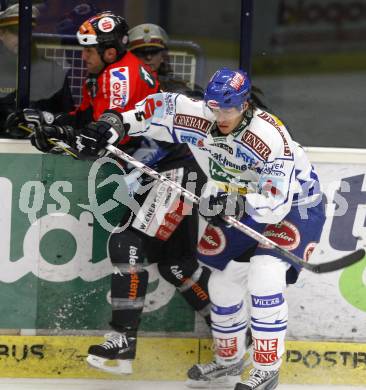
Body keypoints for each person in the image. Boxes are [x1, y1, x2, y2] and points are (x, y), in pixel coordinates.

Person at [72, 67, 326, 389]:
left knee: (265, 276)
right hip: (236, 201)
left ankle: (266, 370)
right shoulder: (198, 114)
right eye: (215, 107)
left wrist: (238, 203)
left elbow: (275, 205)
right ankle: (229, 363)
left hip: (295, 207)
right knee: (222, 287)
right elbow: (150, 110)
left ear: (245, 104)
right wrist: (112, 124)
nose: (220, 116)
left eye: (229, 108)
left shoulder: (270, 137)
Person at [15, 12, 213, 375]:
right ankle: (232, 332)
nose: (83, 57)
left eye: (90, 50)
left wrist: (67, 139)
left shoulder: (119, 75)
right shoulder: (103, 76)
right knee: (176, 264)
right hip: (160, 171)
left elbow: (104, 135)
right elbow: (87, 120)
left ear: (110, 50)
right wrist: (50, 125)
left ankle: (122, 340)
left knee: (127, 243)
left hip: (170, 172)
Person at [0, 4, 74, 137]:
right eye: (15, 31)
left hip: (39, 149)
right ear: (1, 33)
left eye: (28, 31)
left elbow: (69, 118)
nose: (23, 37)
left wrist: (45, 118)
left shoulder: (53, 72)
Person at [128, 23, 203, 98]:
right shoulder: (122, 84)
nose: (148, 57)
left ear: (163, 57)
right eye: (142, 53)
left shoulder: (177, 86)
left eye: (154, 52)